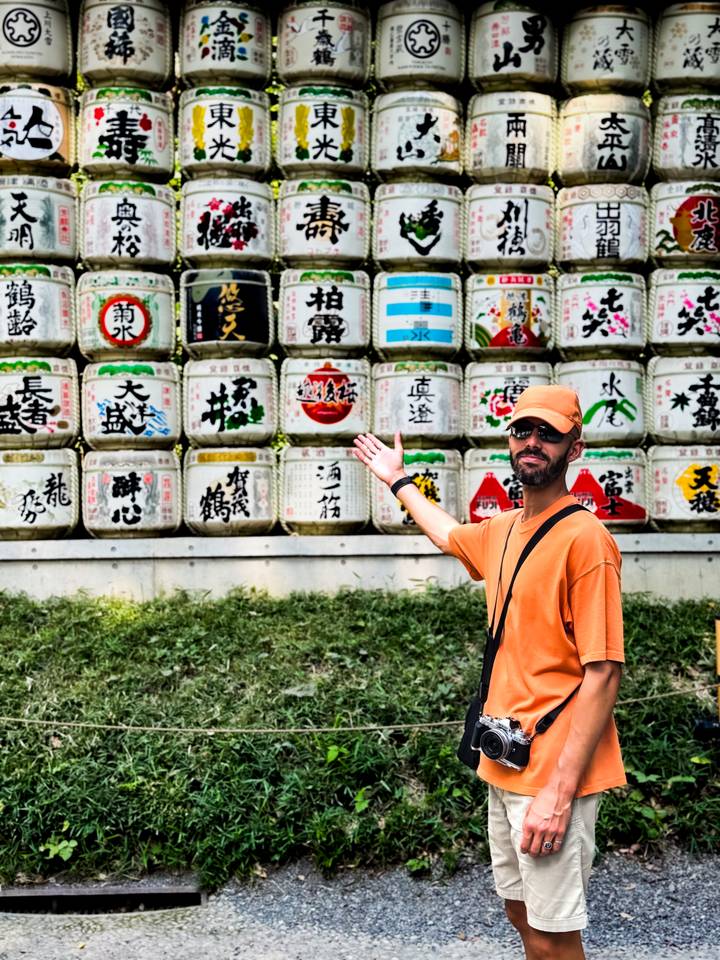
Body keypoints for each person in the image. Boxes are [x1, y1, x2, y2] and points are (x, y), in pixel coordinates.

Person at [353, 384, 625, 960]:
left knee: (555, 933)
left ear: (574, 448)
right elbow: (448, 534)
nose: (533, 443)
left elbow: (603, 673)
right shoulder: (503, 530)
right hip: (505, 757)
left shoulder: (586, 542)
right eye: (523, 431)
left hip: (553, 772)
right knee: (519, 911)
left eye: (549, 434)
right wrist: (397, 480)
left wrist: (559, 792)